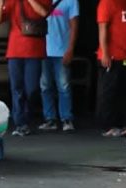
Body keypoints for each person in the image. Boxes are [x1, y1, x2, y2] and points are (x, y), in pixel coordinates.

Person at [0, 0, 52, 136]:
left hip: (35, 51)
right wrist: (1, 2)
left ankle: (25, 117)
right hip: (14, 51)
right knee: (17, 88)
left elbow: (43, 13)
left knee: (31, 89)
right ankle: (20, 123)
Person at [96, 0, 126, 137]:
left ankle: (121, 124)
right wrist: (105, 53)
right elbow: (103, 28)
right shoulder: (107, 3)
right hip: (112, 56)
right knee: (109, 91)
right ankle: (108, 125)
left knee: (123, 91)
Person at [38, 0, 79, 132]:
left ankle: (66, 118)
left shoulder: (71, 1)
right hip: (42, 50)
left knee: (64, 86)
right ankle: (50, 119)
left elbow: (74, 25)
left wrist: (70, 49)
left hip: (62, 50)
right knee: (45, 86)